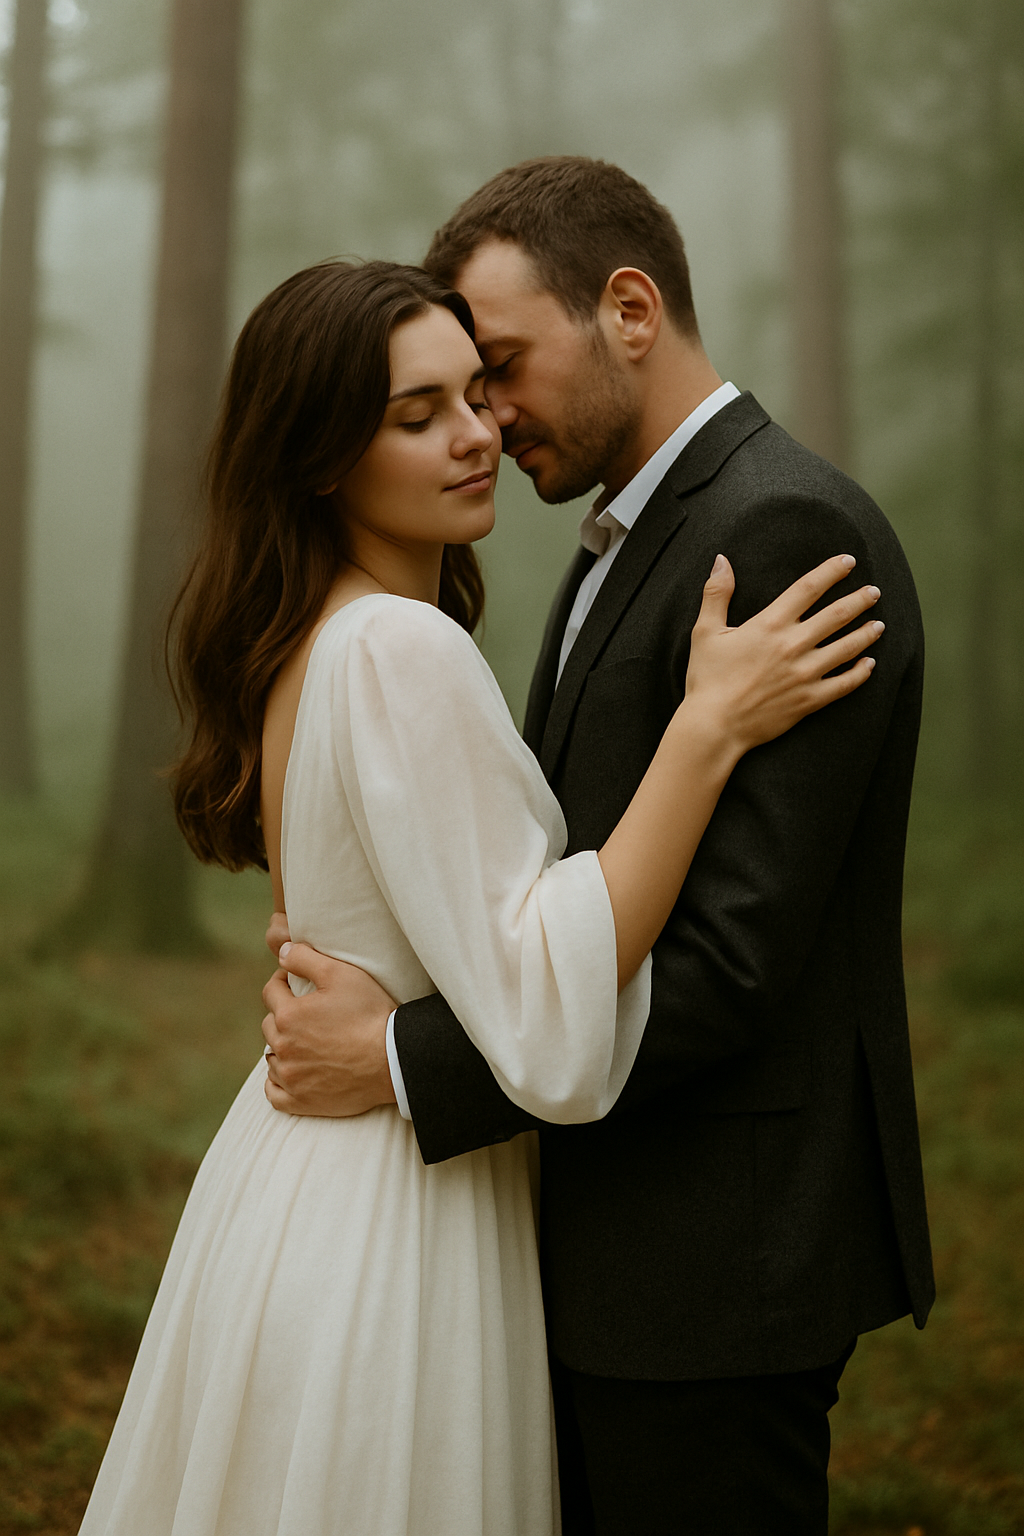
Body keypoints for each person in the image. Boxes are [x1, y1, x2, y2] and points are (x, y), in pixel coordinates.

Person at [78, 257, 880, 1536]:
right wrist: (706, 727)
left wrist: (385, 1035)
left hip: (302, 1181)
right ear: (319, 457)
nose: (478, 436)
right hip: (396, 1215)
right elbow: (541, 995)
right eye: (419, 415)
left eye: (475, 392)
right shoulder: (400, 645)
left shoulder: (326, 633)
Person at [261, 159, 935, 1535]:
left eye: (499, 368)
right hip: (603, 1243)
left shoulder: (780, 529)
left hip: (712, 1262)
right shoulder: (614, 536)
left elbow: (734, 961)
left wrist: (399, 1060)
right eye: (447, 394)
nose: (487, 418)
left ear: (629, 309)